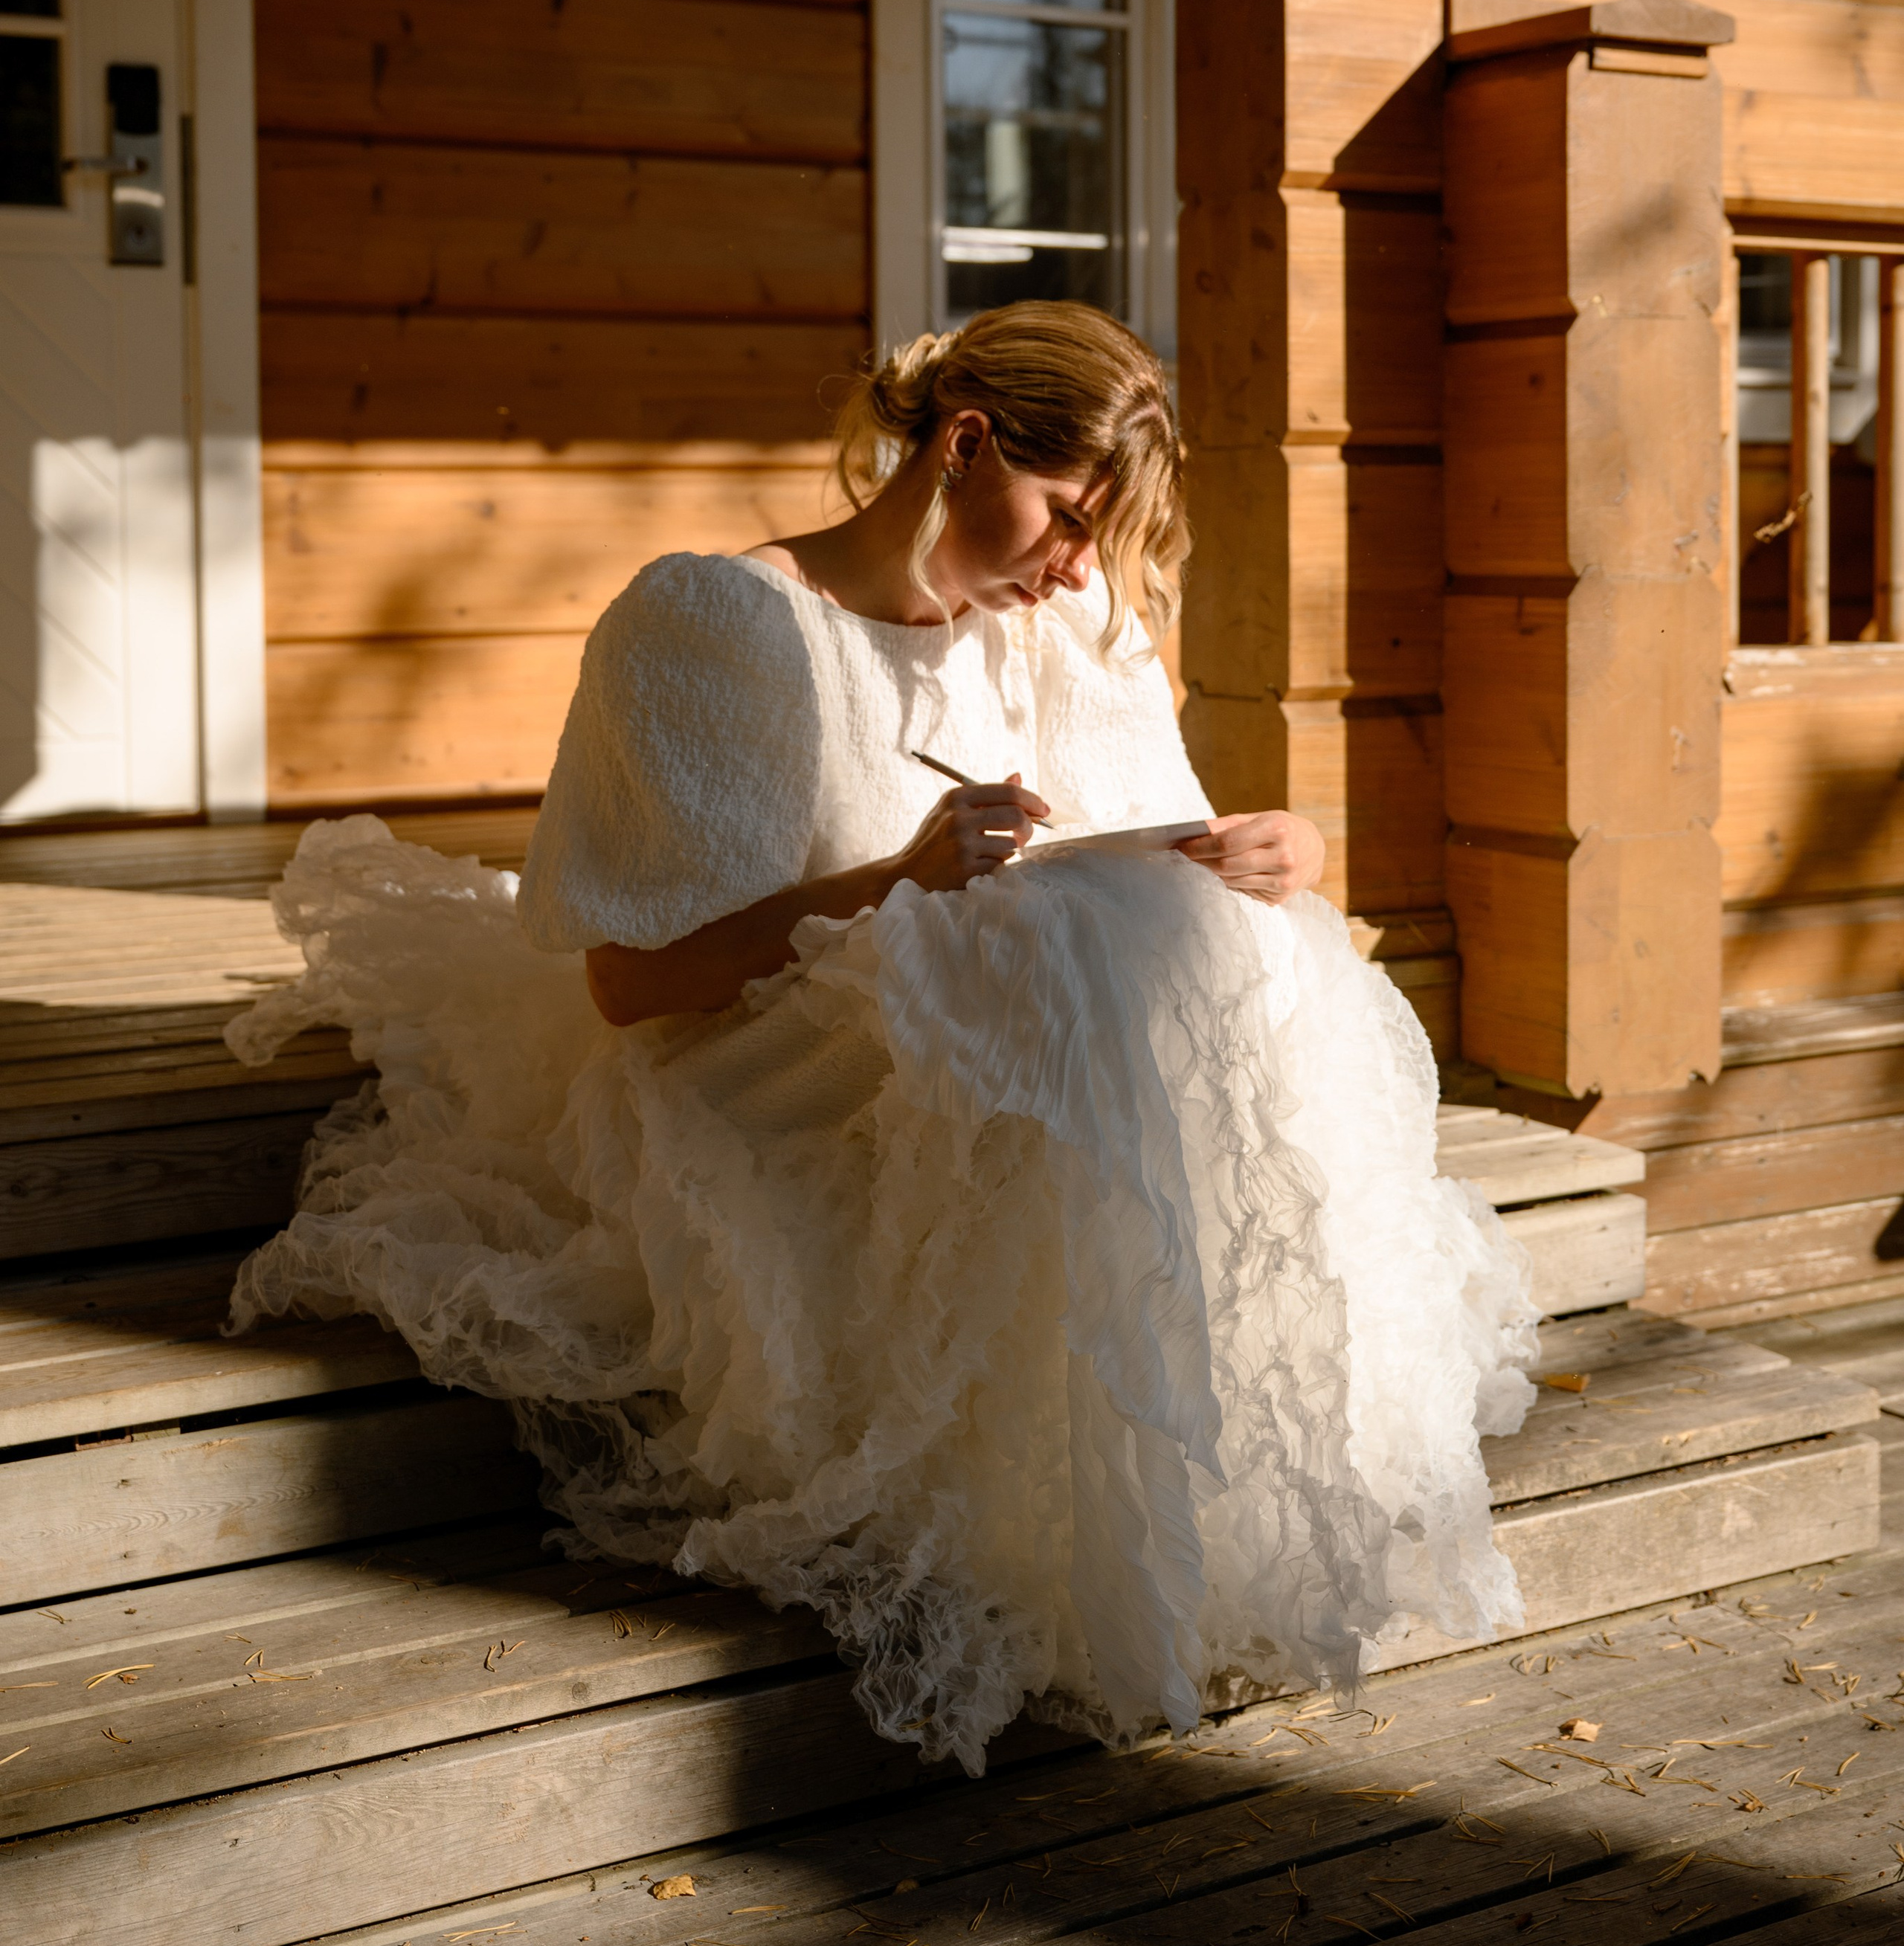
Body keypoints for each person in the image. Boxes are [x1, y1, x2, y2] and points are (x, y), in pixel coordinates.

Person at [228, 303, 1537, 1774]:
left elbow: (1158, 856)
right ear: (962, 443)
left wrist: (1281, 849)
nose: (1073, 566)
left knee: (1212, 939)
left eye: (1094, 537)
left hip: (1002, 1053)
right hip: (766, 1056)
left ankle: (1182, 1500)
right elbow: (632, 985)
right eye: (1060, 516)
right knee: (1072, 955)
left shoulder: (1058, 628)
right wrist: (895, 883)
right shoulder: (715, 623)